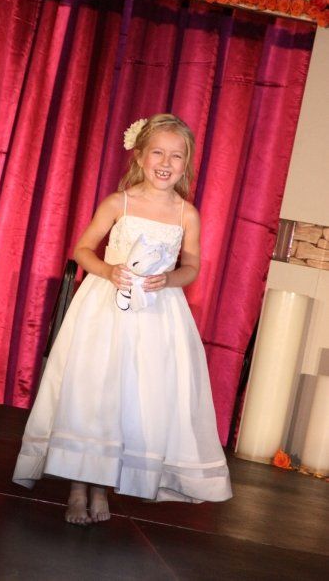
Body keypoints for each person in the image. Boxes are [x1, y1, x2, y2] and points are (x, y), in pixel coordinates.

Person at [13, 113, 232, 525]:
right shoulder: (120, 202)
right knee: (96, 393)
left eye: (177, 156)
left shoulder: (187, 213)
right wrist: (109, 270)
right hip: (106, 310)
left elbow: (193, 266)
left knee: (133, 398)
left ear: (187, 163)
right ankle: (80, 487)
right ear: (140, 156)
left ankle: (106, 486)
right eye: (158, 153)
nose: (166, 163)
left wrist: (170, 278)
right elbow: (82, 249)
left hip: (155, 315)